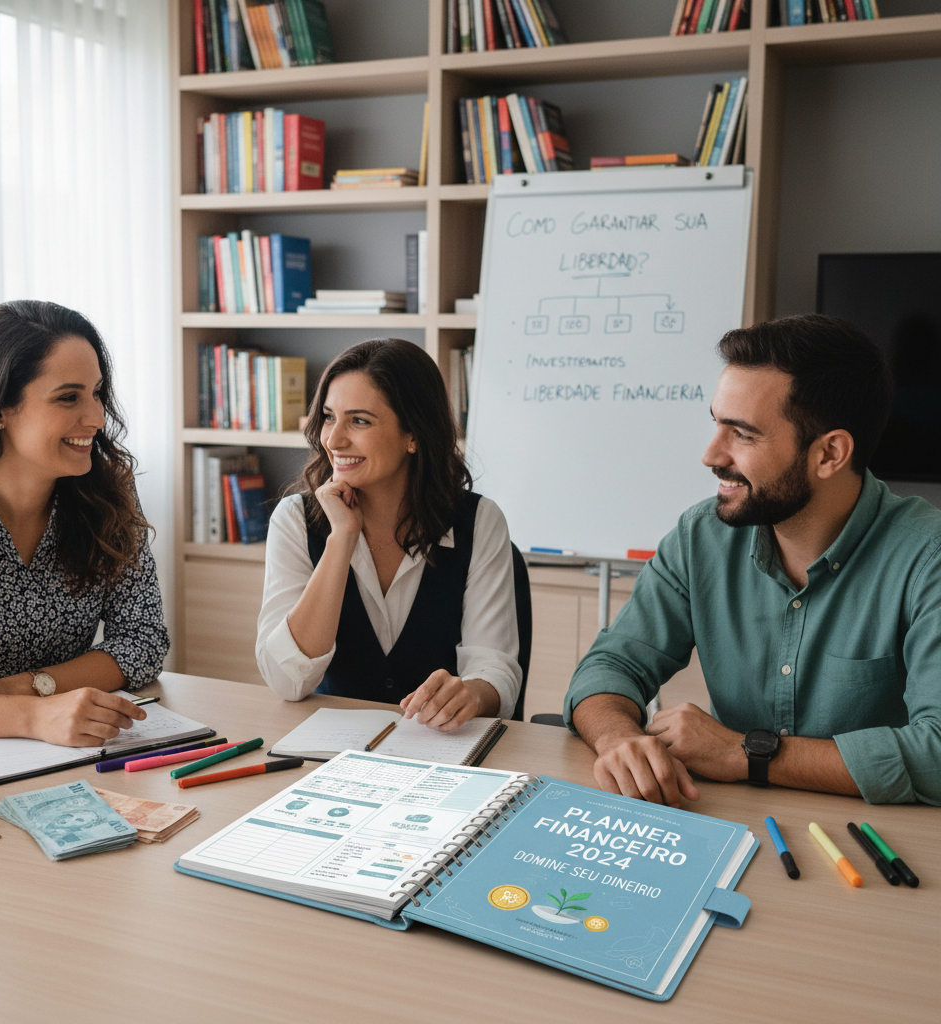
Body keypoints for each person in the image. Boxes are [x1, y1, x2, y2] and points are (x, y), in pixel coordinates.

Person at [565, 313, 941, 807]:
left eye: (742, 434)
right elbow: (609, 667)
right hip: (736, 820)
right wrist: (618, 738)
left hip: (877, 845)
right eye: (717, 424)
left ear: (830, 454)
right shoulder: (700, 536)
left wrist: (748, 753)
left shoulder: (927, 557)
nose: (711, 454)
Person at [0, 301, 170, 746]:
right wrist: (34, 717)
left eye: (97, 393)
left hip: (76, 742)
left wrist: (22, 686)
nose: (95, 418)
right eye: (68, 397)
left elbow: (144, 641)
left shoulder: (110, 495)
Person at [256, 338, 521, 729]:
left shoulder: (479, 521)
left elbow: (495, 669)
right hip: (327, 754)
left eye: (359, 421)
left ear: (413, 434)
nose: (334, 439)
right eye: (329, 417)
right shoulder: (296, 519)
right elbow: (287, 681)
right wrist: (341, 539)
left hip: (440, 752)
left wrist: (471, 694)